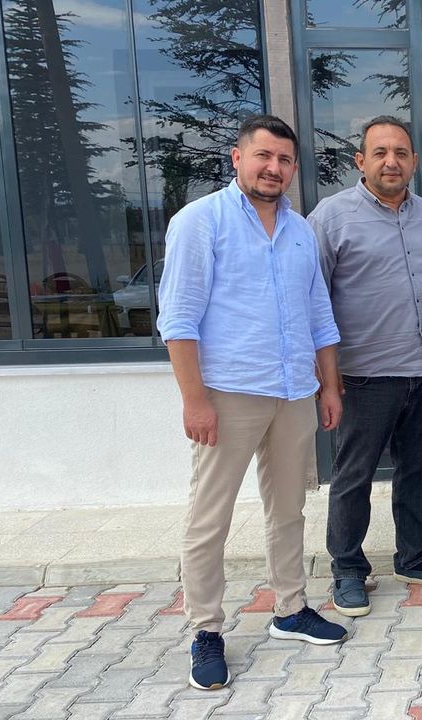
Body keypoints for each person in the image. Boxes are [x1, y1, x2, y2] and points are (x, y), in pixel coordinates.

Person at [157, 115, 347, 692]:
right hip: (228, 394)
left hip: (292, 393)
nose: (274, 168)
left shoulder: (301, 232)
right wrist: (194, 400)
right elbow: (179, 318)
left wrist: (330, 386)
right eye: (263, 156)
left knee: (288, 509)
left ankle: (291, 608)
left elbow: (320, 316)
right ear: (237, 158)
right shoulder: (200, 221)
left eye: (284, 160)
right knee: (209, 517)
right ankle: (206, 630)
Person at [309, 115, 422, 618]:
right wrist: (323, 372)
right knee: (354, 474)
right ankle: (348, 568)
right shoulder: (331, 218)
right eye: (380, 152)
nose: (391, 162)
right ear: (360, 161)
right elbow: (311, 298)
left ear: (414, 162)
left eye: (400, 153)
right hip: (363, 376)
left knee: (419, 467)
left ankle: (414, 557)